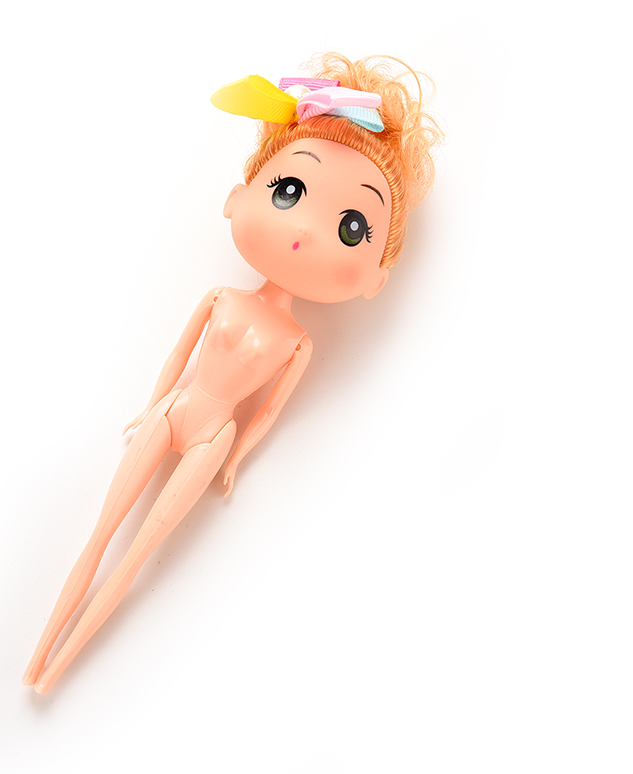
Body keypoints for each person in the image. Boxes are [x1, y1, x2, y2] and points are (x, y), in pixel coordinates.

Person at [23, 53, 441, 694]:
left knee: (135, 557)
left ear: (375, 278)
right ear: (237, 197)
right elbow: (176, 358)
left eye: (352, 226)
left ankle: (55, 672)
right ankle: (38, 657)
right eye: (288, 190)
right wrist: (151, 407)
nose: (305, 230)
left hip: (214, 436)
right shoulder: (220, 297)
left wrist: (235, 457)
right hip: (174, 410)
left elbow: (268, 411)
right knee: (100, 535)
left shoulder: (298, 342)